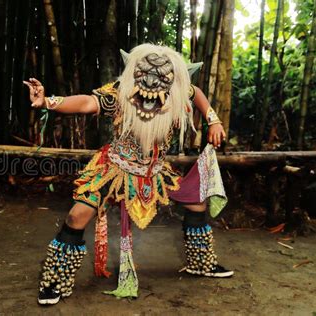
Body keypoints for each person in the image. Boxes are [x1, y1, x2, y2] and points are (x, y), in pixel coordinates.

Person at [23, 44, 233, 306]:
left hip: (155, 172)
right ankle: (54, 280)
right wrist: (48, 102)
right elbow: (89, 102)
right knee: (78, 215)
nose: (150, 88)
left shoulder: (178, 93)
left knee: (197, 202)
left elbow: (196, 92)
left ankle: (202, 263)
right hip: (113, 169)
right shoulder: (120, 93)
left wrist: (213, 119)